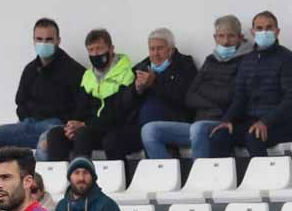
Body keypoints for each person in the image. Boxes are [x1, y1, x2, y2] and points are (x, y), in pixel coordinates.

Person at [143, 15, 251, 159]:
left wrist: (205, 93)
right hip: (197, 125)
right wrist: (216, 102)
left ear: (240, 37)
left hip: (223, 124)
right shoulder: (211, 60)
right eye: (221, 36)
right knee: (149, 130)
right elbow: (190, 97)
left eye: (230, 36)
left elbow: (232, 96)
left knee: (197, 128)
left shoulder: (247, 60)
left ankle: (199, 179)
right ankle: (169, 177)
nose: (225, 42)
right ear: (215, 38)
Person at [0, 18, 85, 161]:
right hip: (28, 125)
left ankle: (38, 183)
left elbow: (81, 107)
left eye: (49, 39)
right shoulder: (30, 69)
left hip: (55, 127)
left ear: (58, 41)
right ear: (33, 41)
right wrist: (25, 119)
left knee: (45, 143)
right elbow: (20, 102)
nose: (44, 43)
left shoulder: (74, 70)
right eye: (39, 39)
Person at [91, 28, 199, 160]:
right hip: (140, 127)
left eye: (160, 48)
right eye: (151, 49)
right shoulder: (141, 67)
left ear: (171, 50)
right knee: (112, 141)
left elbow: (185, 98)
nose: (155, 54)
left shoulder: (184, 64)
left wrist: (154, 83)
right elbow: (124, 102)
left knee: (152, 129)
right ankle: (127, 180)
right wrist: (136, 89)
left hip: (173, 124)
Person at [43, 29, 135, 161]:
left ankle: (81, 177)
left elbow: (118, 111)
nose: (95, 54)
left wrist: (84, 125)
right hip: (89, 128)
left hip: (113, 128)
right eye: (91, 50)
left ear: (111, 49)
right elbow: (79, 109)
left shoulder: (126, 73)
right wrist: (72, 126)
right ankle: (59, 180)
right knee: (56, 134)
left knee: (82, 133)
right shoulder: (88, 75)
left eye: (99, 49)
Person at [209, 11, 292, 158]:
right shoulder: (247, 60)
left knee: (253, 136)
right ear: (253, 32)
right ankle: (227, 180)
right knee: (219, 135)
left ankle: (265, 180)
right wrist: (226, 119)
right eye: (259, 28)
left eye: (269, 27)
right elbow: (240, 97)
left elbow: (289, 99)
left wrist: (266, 122)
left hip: (280, 123)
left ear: (277, 31)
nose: (264, 32)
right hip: (251, 122)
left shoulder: (286, 58)